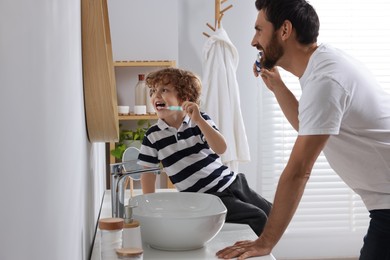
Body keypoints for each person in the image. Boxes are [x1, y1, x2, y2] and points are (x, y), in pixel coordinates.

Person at [216, 0, 390, 259]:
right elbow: (308, 125)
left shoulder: (325, 80)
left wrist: (265, 242)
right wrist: (277, 86)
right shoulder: (323, 65)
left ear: (284, 30)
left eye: (259, 30)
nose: (254, 41)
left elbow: (298, 171)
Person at [137, 67, 272, 236]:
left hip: (233, 183)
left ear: (184, 99)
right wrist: (148, 206)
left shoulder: (200, 121)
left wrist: (199, 120)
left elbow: (221, 148)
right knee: (257, 217)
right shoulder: (153, 136)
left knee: (271, 213)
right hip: (207, 198)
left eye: (164, 90)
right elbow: (147, 173)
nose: (156, 96)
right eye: (153, 91)